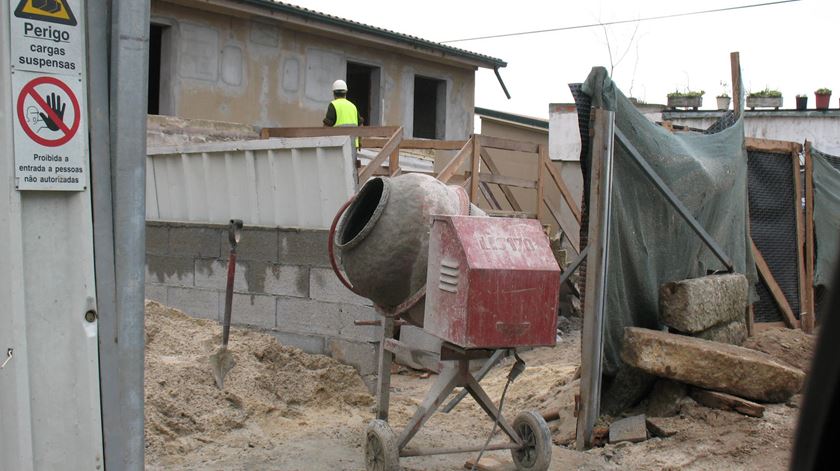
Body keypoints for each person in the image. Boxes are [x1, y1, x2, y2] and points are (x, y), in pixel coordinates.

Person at [323, 79, 363, 147]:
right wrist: (359, 142)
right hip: (353, 145)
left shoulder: (333, 105)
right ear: (346, 92)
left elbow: (326, 127)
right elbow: (361, 125)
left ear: (334, 93)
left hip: (338, 145)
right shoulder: (353, 106)